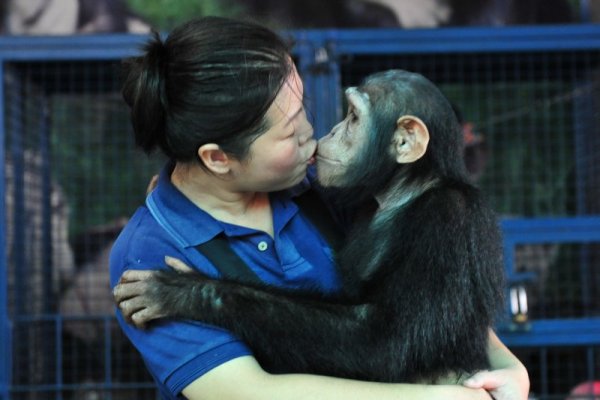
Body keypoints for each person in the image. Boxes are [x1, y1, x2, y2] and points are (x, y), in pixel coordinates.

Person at [110, 16, 529, 400]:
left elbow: (431, 301)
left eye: (305, 112)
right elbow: (253, 394)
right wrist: (432, 398)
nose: (315, 137)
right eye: (291, 131)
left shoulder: (328, 188)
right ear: (219, 158)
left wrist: (508, 366)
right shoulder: (151, 248)